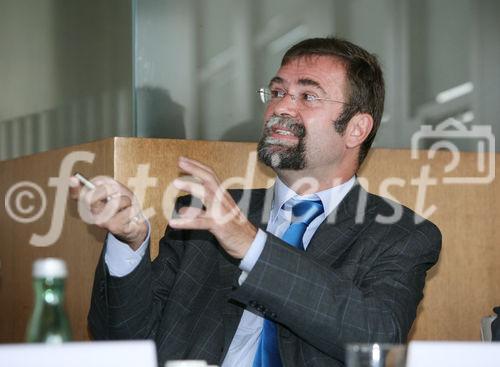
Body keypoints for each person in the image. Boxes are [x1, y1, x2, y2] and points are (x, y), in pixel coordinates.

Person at [70, 37, 441, 366]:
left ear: (357, 129)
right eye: (277, 92)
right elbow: (122, 342)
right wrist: (129, 243)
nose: (281, 108)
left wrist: (252, 246)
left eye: (307, 96)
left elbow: (376, 338)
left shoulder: (401, 234)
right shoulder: (204, 214)